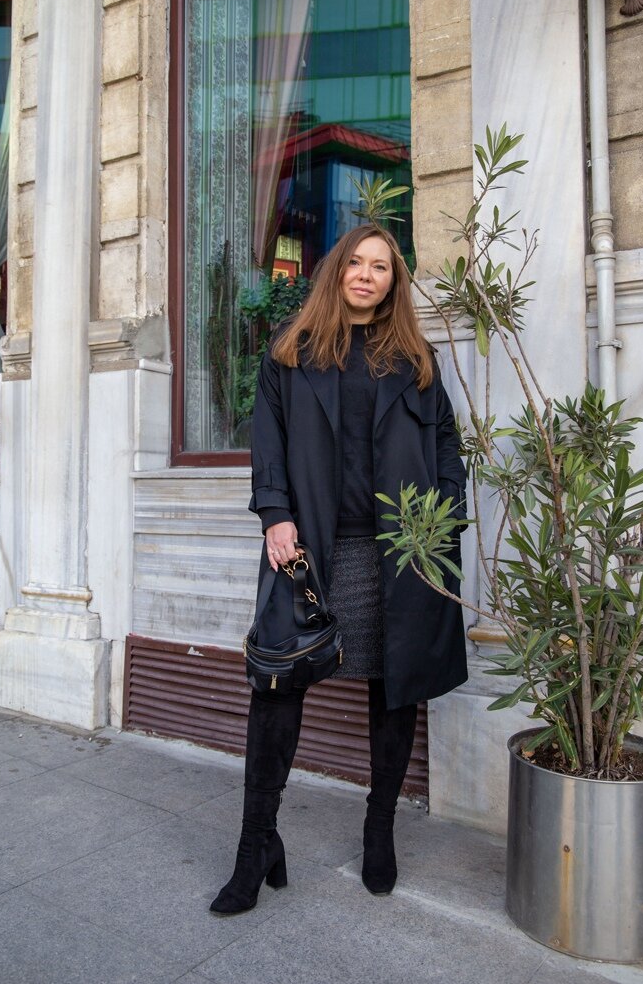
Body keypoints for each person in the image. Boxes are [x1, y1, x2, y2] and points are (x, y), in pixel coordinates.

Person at [210, 223, 467, 915]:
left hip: (399, 553)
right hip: (310, 551)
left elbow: (447, 445)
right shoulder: (291, 350)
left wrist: (443, 518)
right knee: (276, 690)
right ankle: (255, 846)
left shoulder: (414, 357)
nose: (366, 274)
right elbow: (267, 442)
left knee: (393, 691)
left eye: (381, 267)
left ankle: (379, 830)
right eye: (355, 262)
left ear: (393, 282)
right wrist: (275, 514)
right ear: (335, 270)